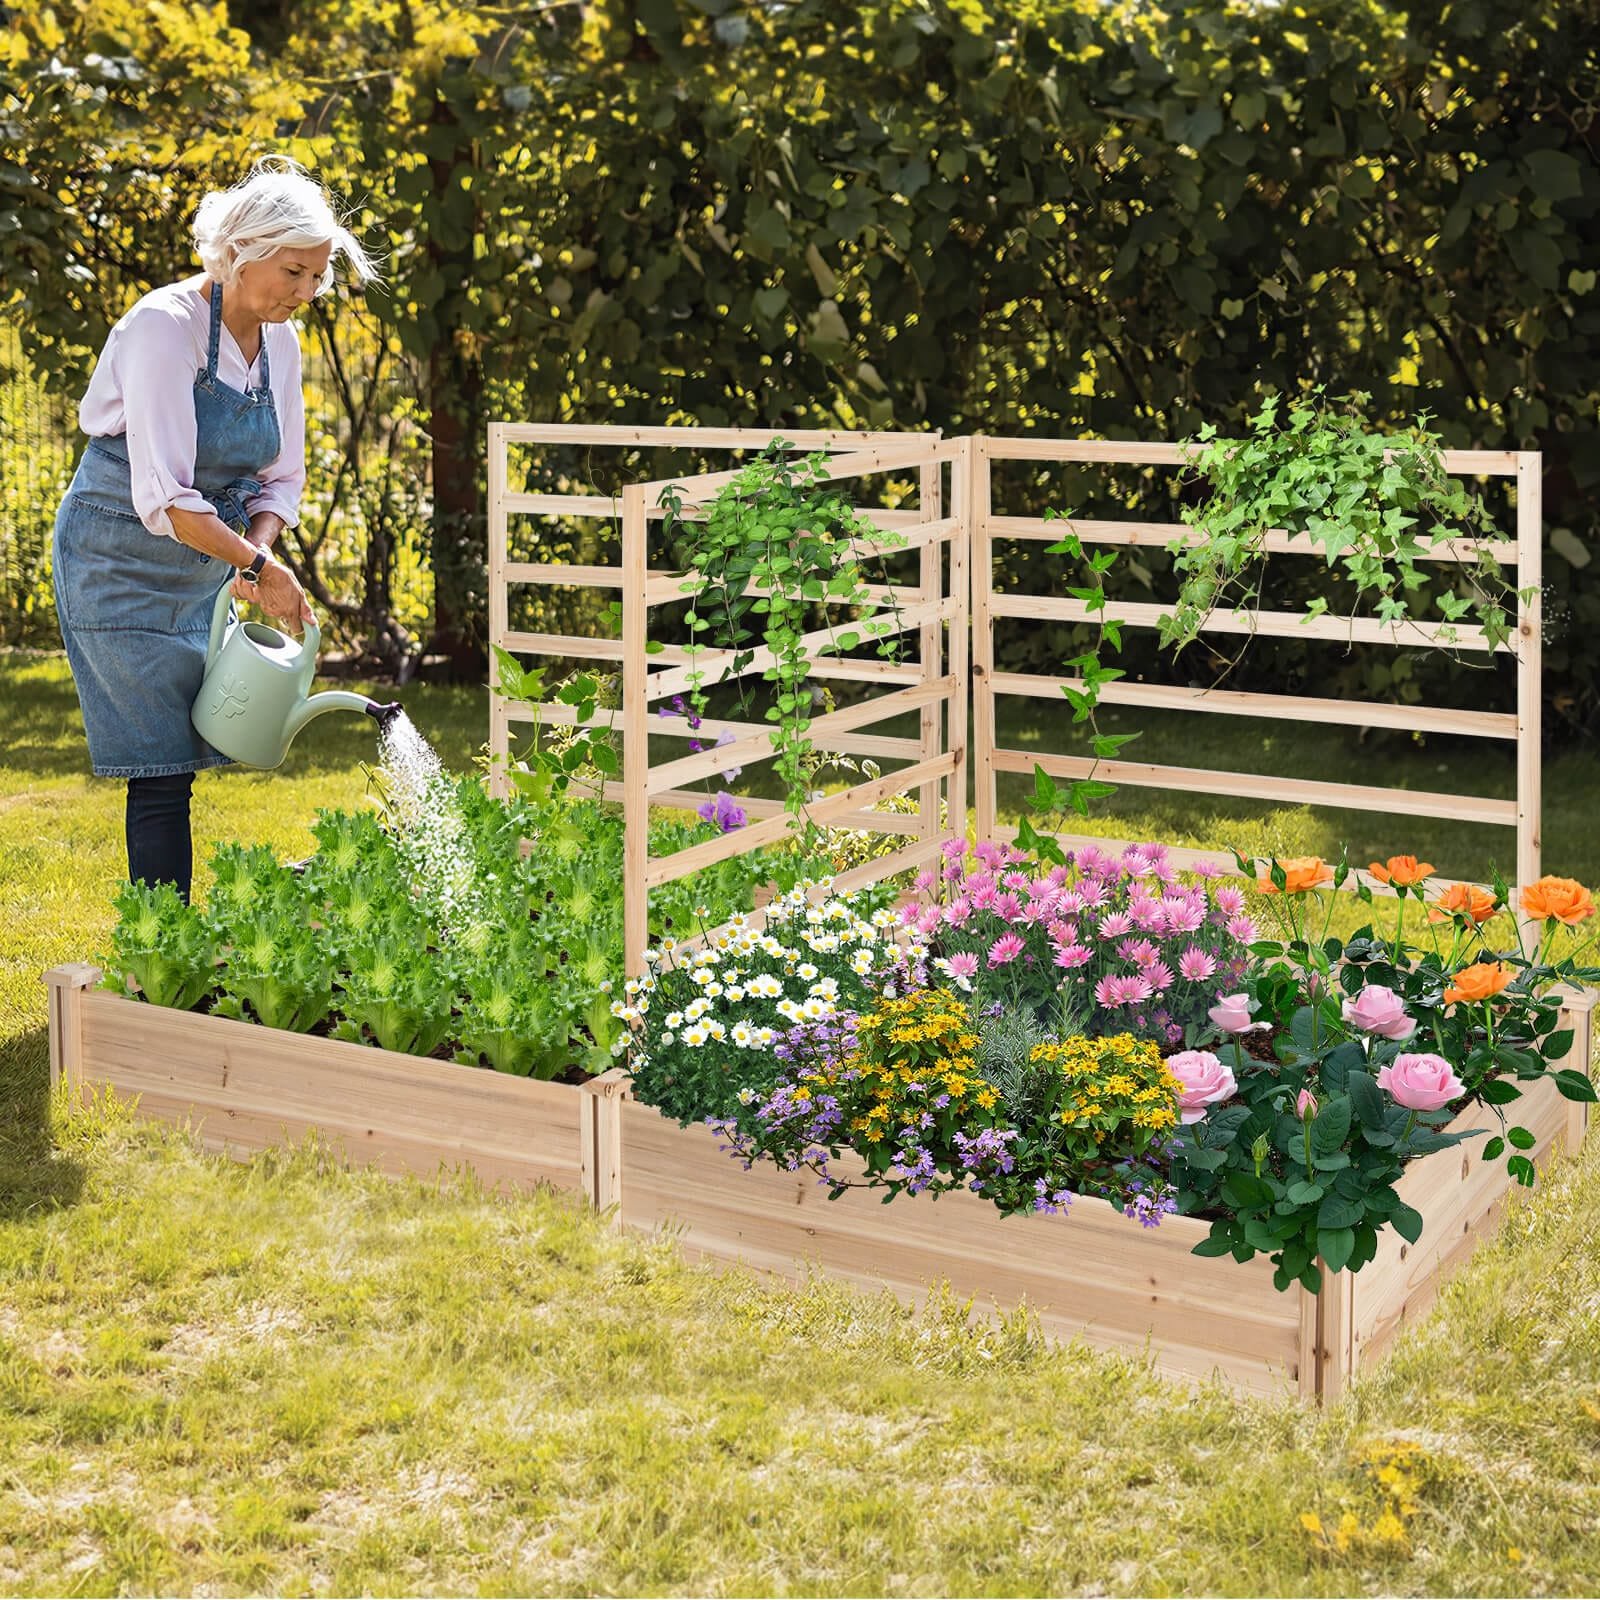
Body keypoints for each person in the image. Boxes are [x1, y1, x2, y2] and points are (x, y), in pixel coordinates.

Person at [54, 157, 379, 902]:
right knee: (160, 766)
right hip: (117, 564)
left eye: (317, 277)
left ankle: (171, 948)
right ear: (241, 249)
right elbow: (165, 498)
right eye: (294, 272)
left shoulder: (280, 345)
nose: (306, 293)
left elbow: (281, 480)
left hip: (202, 564)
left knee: (188, 757)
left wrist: (252, 553)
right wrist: (260, 566)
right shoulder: (162, 329)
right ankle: (166, 949)